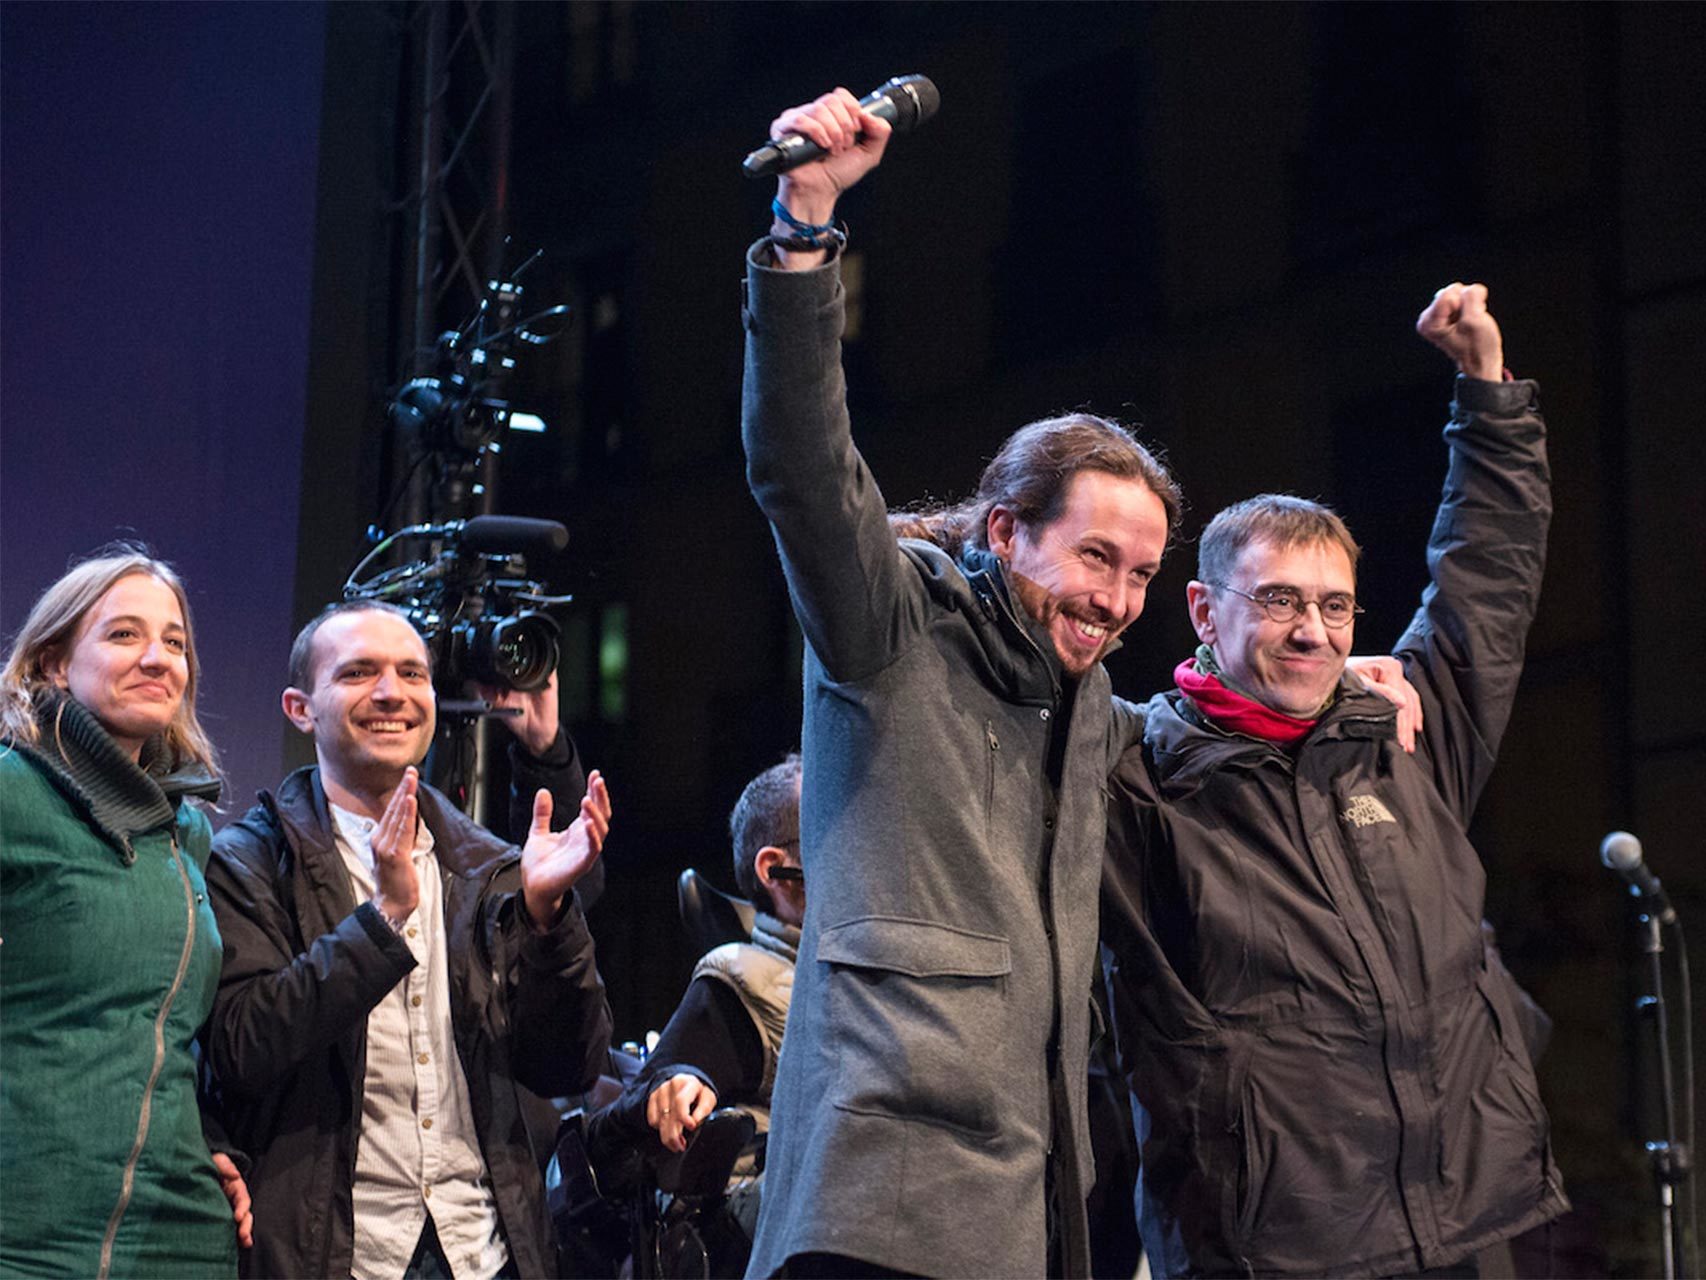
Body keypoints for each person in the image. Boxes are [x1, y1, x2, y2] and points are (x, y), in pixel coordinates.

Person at [739, 89, 1184, 1279]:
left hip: (1026, 1215)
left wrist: (1347, 684)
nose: (1115, 597)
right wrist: (805, 224)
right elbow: (800, 466)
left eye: (1141, 573)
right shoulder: (893, 625)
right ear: (1003, 531)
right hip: (876, 1206)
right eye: (1094, 557)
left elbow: (1219, 728)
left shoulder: (1092, 714)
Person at [1100, 283, 1569, 1277]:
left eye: (1334, 606)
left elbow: (1485, 580)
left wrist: (1484, 390)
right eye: (1276, 601)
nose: (1311, 631)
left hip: (1467, 1217)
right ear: (1200, 607)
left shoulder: (1398, 732)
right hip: (1273, 1243)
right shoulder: (1137, 774)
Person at [200, 600, 614, 1279]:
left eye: (411, 674)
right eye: (359, 673)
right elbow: (242, 1048)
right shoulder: (248, 862)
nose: (392, 693)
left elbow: (568, 1067)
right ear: (301, 709)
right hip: (340, 1253)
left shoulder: (488, 869)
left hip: (483, 1250)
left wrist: (547, 919)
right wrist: (382, 923)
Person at [0, 547, 252, 1278]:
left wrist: (210, 1137)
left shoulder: (190, 832)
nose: (158, 658)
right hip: (26, 1228)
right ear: (53, 664)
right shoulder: (13, 794)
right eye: (123, 636)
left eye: (174, 643)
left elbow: (167, 1030)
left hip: (179, 1231)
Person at [591, 753, 804, 1163]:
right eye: (834, 831)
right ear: (774, 869)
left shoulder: (871, 969)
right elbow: (619, 1127)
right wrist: (673, 1085)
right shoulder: (744, 980)